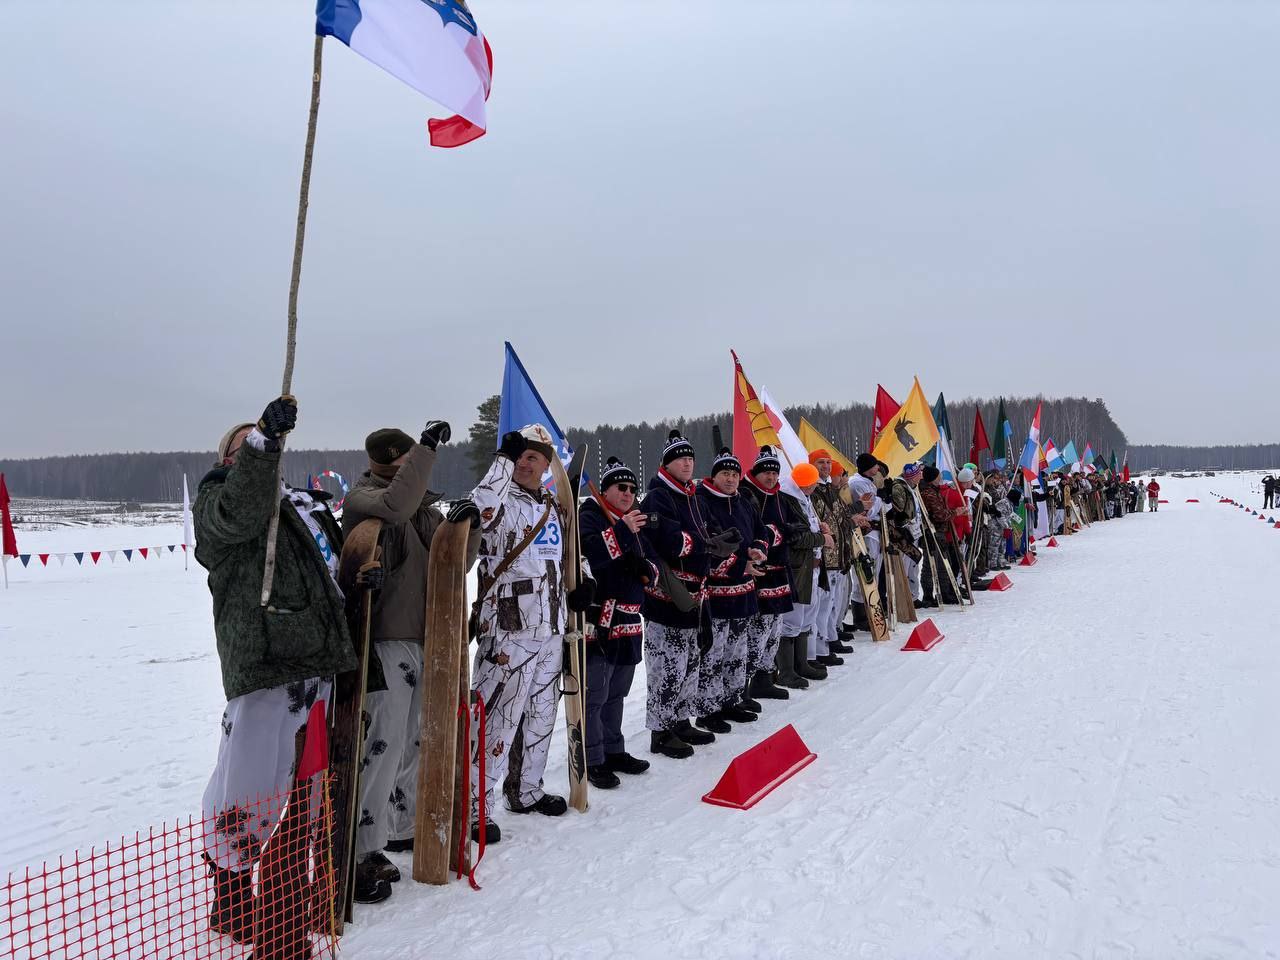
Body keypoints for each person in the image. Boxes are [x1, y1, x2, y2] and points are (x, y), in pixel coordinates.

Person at [196, 396, 378, 941]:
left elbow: (323, 571)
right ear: (230, 458)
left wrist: (354, 584)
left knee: (303, 794)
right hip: (264, 667)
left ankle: (286, 902)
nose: (262, 449)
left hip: (315, 667)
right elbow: (238, 513)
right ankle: (230, 899)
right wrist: (259, 446)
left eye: (270, 442)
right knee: (247, 790)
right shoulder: (216, 503)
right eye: (245, 445)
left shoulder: (300, 507)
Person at [339, 419, 476, 893]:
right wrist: (428, 447)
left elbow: (456, 563)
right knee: (382, 745)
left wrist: (466, 526)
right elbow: (395, 504)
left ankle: (399, 828)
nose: (413, 480)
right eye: (406, 468)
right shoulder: (363, 499)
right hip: (383, 640)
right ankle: (361, 848)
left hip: (426, 637)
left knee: (417, 740)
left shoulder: (422, 510)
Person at [468, 424, 596, 841]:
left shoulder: (555, 506)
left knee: (540, 716)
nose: (525, 463)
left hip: (552, 627)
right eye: (519, 457)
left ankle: (525, 790)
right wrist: (501, 462)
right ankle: (474, 807)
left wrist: (584, 582)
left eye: (532, 458)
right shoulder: (499, 497)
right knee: (495, 721)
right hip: (507, 629)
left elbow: (570, 553)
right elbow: (478, 512)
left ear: (546, 466)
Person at [640, 431, 739, 758]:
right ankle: (660, 730)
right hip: (668, 594)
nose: (687, 462)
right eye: (680, 458)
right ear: (668, 463)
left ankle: (681, 720)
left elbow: (707, 532)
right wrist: (704, 544)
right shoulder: (658, 496)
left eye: (690, 457)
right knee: (666, 666)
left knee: (691, 662)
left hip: (698, 592)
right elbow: (670, 539)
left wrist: (715, 541)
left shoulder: (692, 495)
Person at [578, 457, 656, 788]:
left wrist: (648, 570)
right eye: (620, 487)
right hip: (600, 617)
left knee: (618, 692)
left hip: (628, 616)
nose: (628, 493)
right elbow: (592, 554)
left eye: (632, 488)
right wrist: (621, 532)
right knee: (596, 692)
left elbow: (649, 558)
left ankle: (614, 749)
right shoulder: (590, 517)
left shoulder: (630, 521)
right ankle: (593, 758)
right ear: (605, 490)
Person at [694, 448, 771, 732]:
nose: (731, 479)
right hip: (718, 594)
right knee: (713, 654)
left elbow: (761, 531)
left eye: (735, 473)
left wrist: (758, 550)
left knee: (737, 652)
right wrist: (741, 565)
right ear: (714, 476)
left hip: (745, 592)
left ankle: (732, 699)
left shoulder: (743, 502)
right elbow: (710, 548)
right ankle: (707, 708)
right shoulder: (703, 503)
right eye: (725, 473)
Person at [740, 446, 796, 700]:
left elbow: (793, 525)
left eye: (775, 472)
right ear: (756, 472)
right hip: (759, 573)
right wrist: (773, 534)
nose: (771, 478)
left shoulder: (779, 496)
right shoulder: (746, 494)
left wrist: (779, 532)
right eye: (766, 473)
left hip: (779, 571)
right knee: (756, 631)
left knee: (774, 630)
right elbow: (753, 530)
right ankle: (744, 683)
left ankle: (765, 676)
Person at [778, 462, 832, 684]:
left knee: (807, 616)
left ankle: (802, 662)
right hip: (798, 566)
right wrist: (821, 538)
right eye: (811, 485)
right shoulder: (788, 500)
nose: (814, 489)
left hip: (812, 565)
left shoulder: (804, 499)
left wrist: (819, 529)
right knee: (793, 617)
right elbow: (795, 537)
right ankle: (787, 670)